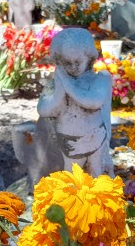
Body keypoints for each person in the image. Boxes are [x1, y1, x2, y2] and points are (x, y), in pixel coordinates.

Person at [37, 29, 114, 176]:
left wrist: (66, 84)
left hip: (95, 137)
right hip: (69, 142)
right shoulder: (54, 85)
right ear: (59, 61)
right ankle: (72, 198)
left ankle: (100, 197)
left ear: (89, 57)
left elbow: (93, 101)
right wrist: (59, 91)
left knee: (97, 173)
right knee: (72, 176)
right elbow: (44, 110)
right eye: (67, 63)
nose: (73, 67)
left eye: (77, 61)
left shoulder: (100, 78)